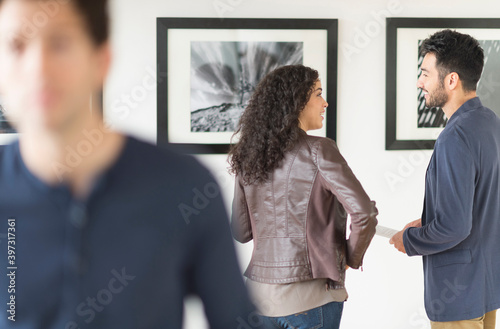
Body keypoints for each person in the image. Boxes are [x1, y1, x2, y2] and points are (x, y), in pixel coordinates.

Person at [0, 0, 254, 328]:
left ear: (101, 60)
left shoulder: (186, 187)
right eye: (16, 45)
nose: (38, 67)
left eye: (59, 43)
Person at [229, 64, 378, 329]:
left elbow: (241, 232)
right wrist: (350, 259)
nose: (325, 102)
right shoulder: (319, 150)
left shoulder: (249, 157)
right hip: (311, 299)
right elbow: (364, 212)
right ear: (297, 102)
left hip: (257, 299)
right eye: (318, 94)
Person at [390, 30, 500, 328]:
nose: (419, 82)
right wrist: (428, 221)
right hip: (485, 287)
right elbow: (479, 205)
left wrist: (410, 240)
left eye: (425, 73)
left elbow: (454, 227)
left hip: (459, 298)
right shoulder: (489, 122)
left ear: (451, 80)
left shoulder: (456, 136)